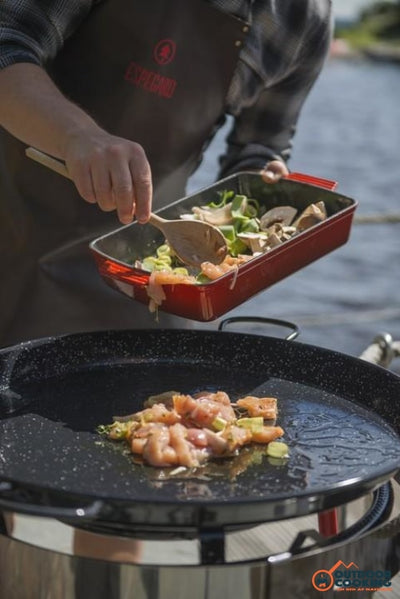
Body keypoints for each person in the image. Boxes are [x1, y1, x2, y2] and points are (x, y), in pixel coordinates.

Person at [0, 0, 333, 348]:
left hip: (156, 276)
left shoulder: (304, 19)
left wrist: (263, 179)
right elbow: (6, 39)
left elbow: (261, 143)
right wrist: (76, 135)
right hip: (14, 247)